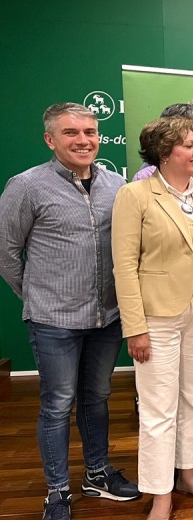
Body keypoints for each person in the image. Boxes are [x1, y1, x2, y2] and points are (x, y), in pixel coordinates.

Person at [0, 102, 141, 520]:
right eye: (71, 132)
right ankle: (57, 492)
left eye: (90, 132)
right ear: (50, 139)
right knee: (58, 404)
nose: (83, 140)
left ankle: (97, 473)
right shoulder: (27, 186)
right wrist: (37, 297)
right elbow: (6, 252)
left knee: (97, 398)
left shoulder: (117, 185)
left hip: (107, 317)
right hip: (54, 321)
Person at [112, 116, 193, 519]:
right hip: (156, 318)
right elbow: (124, 267)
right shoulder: (135, 195)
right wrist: (135, 327)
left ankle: (188, 474)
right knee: (158, 409)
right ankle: (160, 493)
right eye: (187, 144)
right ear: (164, 152)